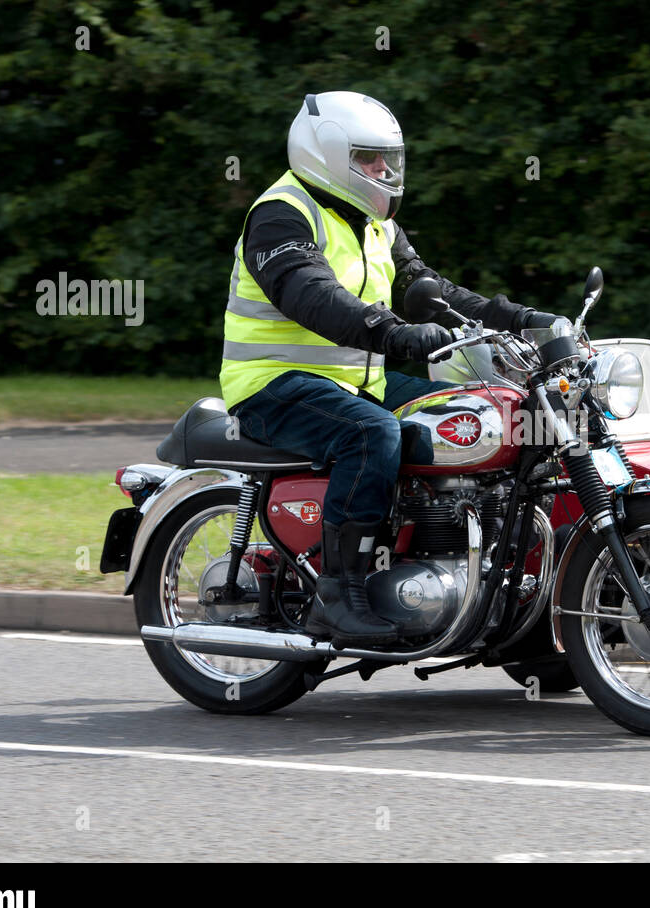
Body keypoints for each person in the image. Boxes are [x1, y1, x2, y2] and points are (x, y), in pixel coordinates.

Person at [220, 90, 564, 646]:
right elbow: (312, 296)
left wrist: (524, 319)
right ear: (325, 154)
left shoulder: (374, 223)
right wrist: (393, 332)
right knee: (370, 431)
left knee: (485, 410)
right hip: (271, 385)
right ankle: (339, 594)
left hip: (359, 380)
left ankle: (498, 585)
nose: (384, 170)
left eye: (389, 159)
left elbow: (431, 289)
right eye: (369, 158)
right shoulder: (281, 215)